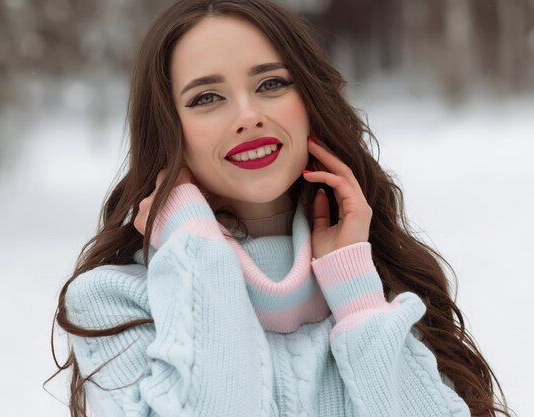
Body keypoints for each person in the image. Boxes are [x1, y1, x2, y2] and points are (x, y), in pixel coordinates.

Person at [51, 0, 510, 416]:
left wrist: (354, 293)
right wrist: (194, 250)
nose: (248, 116)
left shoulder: (383, 287)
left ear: (310, 102)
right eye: (206, 98)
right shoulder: (112, 304)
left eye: (271, 83)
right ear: (170, 132)